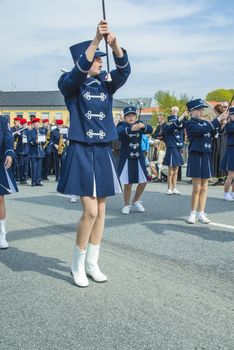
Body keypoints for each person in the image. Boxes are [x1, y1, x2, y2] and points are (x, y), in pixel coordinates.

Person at [57, 20, 131, 287]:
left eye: (101, 59)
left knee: (101, 210)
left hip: (102, 150)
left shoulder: (105, 84)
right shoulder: (70, 85)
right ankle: (77, 264)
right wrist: (96, 42)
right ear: (85, 60)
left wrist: (115, 46)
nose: (101, 62)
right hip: (81, 149)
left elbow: (124, 72)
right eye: (98, 59)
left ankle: (92, 263)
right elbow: (75, 76)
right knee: (89, 211)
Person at [185, 99, 227, 224]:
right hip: (196, 156)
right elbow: (203, 130)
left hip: (206, 156)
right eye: (199, 109)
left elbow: (215, 132)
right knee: (197, 187)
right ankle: (193, 212)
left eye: (202, 109)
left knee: (204, 186)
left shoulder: (206, 123)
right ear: (191, 112)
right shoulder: (190, 123)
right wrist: (217, 120)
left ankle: (201, 212)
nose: (202, 111)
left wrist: (222, 123)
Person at [117, 106, 153, 214]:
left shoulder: (140, 123)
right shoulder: (121, 125)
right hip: (127, 157)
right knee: (128, 183)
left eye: (133, 115)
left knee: (144, 181)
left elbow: (151, 129)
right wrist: (131, 128)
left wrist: (143, 126)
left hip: (139, 157)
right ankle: (126, 205)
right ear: (125, 117)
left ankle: (136, 200)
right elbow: (118, 132)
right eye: (128, 116)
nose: (131, 118)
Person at [0, 115, 18, 249]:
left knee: (0, 198)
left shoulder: (2, 120)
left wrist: (9, 153)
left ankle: (1, 234)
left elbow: (8, 139)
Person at [161, 106, 186, 195]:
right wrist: (181, 117)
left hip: (178, 149)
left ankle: (174, 187)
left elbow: (182, 135)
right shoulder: (167, 126)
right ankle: (169, 188)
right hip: (171, 149)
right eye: (172, 110)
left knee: (176, 170)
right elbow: (172, 126)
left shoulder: (179, 127)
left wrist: (184, 116)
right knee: (170, 171)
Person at [220, 107, 234, 201]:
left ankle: (233, 193)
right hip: (232, 149)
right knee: (231, 174)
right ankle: (226, 193)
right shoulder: (229, 125)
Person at [212, 104, 227, 186]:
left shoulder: (224, 118)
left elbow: (223, 131)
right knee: (217, 158)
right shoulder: (216, 119)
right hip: (216, 140)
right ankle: (219, 177)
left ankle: (222, 178)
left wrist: (223, 125)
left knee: (220, 157)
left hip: (222, 140)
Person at [28, 118, 46, 186]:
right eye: (36, 123)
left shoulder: (41, 131)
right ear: (33, 124)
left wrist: (43, 141)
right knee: (34, 167)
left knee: (39, 167)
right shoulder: (30, 132)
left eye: (38, 123)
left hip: (40, 152)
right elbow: (29, 142)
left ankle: (38, 181)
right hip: (33, 152)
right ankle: (33, 181)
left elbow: (44, 142)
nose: (37, 124)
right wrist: (35, 142)